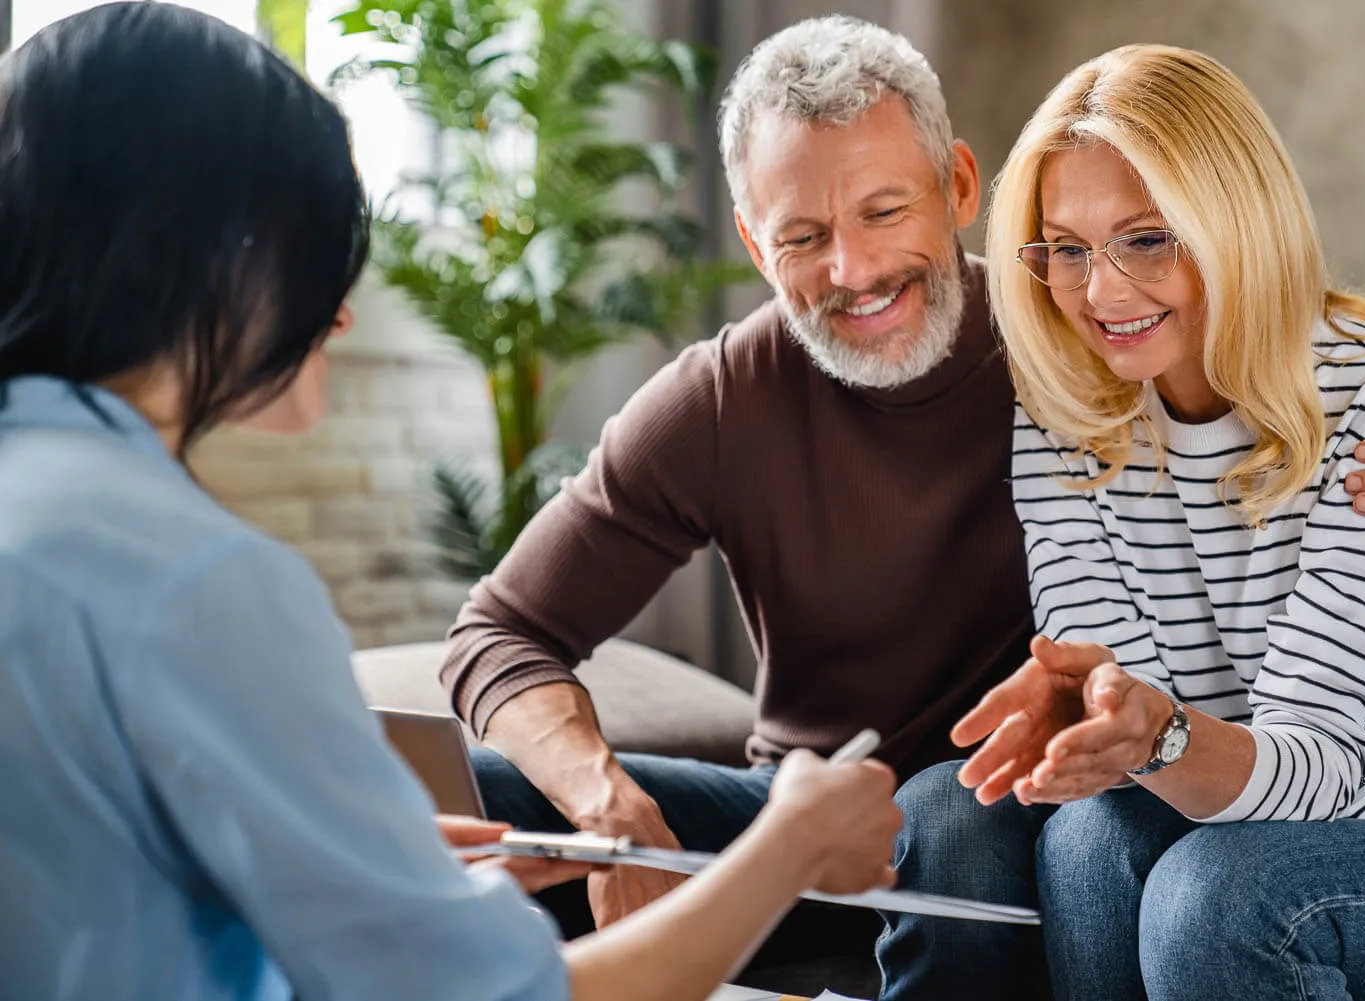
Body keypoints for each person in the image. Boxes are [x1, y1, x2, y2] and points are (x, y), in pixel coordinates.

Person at [441, 15, 1365, 1001]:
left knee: (997, 812)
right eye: (802, 235)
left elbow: (1316, 501)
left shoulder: (1088, 346)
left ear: (956, 186)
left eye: (883, 210)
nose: (851, 269)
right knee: (472, 797)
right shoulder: (770, 394)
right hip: (816, 814)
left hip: (997, 811)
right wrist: (605, 806)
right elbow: (500, 630)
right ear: (758, 247)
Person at [0, 6, 903, 1001]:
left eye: (883, 211)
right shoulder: (192, 577)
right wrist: (788, 849)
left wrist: (356, 860)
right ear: (223, 255)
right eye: (325, 251)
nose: (339, 311)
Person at [956, 43, 1365, 1000]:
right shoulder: (1067, 406)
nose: (1101, 294)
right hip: (1256, 801)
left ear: (1236, 222)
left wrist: (1153, 732)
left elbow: (1318, 766)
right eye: (1068, 249)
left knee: (1221, 897)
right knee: (1088, 843)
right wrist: (1111, 723)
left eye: (1148, 238)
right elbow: (1126, 693)